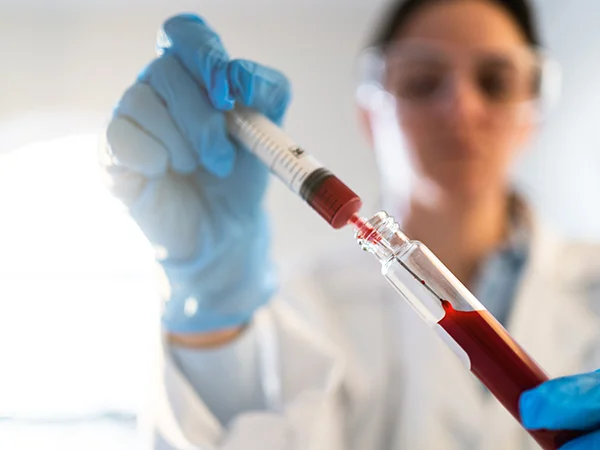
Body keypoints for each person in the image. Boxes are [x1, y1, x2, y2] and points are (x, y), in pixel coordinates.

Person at [101, 0, 600, 448]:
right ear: (369, 113)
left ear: (533, 113)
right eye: (423, 82)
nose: (462, 108)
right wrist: (209, 301)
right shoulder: (298, 302)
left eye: (494, 82)